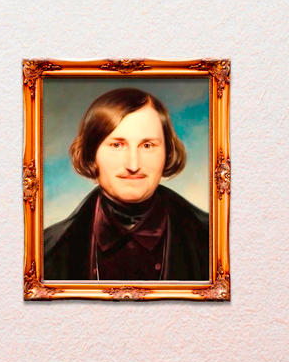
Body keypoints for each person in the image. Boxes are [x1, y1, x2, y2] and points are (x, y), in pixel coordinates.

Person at [44, 87, 209, 281]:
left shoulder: (212, 239)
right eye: (117, 145)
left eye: (147, 145)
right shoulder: (46, 250)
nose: (133, 165)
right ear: (91, 154)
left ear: (168, 153)